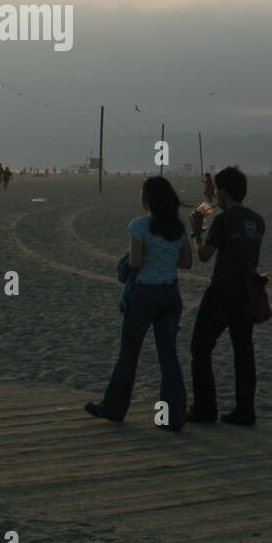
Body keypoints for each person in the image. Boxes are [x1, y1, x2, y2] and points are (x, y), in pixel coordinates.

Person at [86, 176, 191, 430]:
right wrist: (165, 258)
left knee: (129, 353)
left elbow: (135, 262)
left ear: (147, 199)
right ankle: (173, 416)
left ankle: (113, 408)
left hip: (145, 293)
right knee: (168, 357)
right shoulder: (178, 229)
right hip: (170, 293)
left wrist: (146, 258)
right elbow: (187, 262)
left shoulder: (139, 225)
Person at [188, 166, 265, 426]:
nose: (216, 195)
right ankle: (246, 409)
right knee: (243, 351)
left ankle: (204, 408)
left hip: (222, 291)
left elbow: (204, 255)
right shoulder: (257, 220)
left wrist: (196, 232)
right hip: (247, 292)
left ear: (223, 191)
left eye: (218, 191)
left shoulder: (223, 221)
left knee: (200, 348)